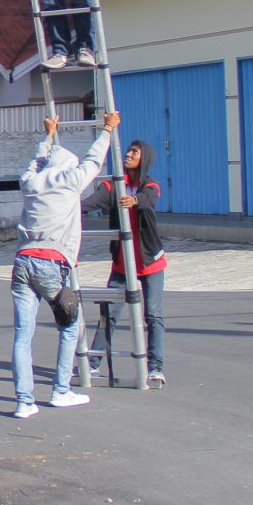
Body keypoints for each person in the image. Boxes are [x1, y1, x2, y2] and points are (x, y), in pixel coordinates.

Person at [8, 110, 118, 418]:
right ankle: (60, 390)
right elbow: (93, 162)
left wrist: (48, 136)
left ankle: (23, 402)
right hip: (52, 263)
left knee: (22, 334)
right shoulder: (71, 179)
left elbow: (36, 162)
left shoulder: (30, 182)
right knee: (71, 325)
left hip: (22, 261)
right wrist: (107, 130)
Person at [82, 139, 168, 387]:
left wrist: (135, 201)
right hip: (122, 264)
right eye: (129, 150)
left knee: (153, 315)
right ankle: (94, 363)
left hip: (150, 261)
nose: (129, 154)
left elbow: (149, 198)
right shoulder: (114, 185)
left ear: (145, 159)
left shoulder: (149, 185)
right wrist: (67, 206)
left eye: (135, 152)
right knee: (109, 314)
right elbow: (94, 201)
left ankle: (155, 368)